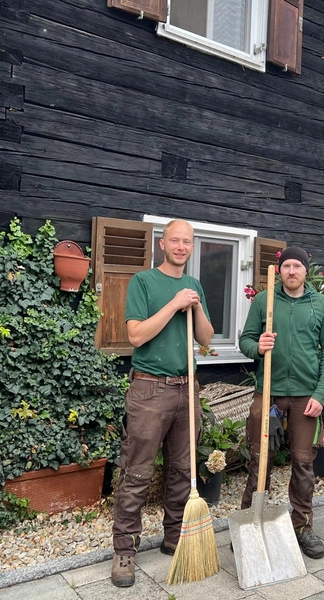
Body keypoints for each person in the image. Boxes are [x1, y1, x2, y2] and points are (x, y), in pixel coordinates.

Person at [111, 219, 213, 588]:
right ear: (162, 244)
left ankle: (174, 536)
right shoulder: (143, 282)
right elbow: (136, 335)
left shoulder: (194, 284)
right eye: (175, 240)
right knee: (137, 471)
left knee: (183, 471)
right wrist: (173, 303)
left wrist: (196, 307)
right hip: (150, 389)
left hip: (188, 389)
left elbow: (204, 339)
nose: (181, 246)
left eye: (187, 242)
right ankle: (125, 549)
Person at [238, 246, 324, 559]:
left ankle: (303, 527)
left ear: (306, 271)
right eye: (286, 266)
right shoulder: (263, 301)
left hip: (307, 395)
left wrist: (320, 395)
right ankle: (249, 523)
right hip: (268, 391)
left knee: (304, 463)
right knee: (260, 460)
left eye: (297, 266)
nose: (291, 271)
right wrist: (258, 346)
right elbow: (244, 341)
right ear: (279, 271)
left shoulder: (320, 305)